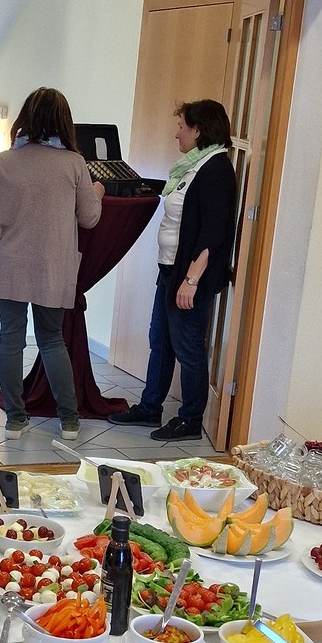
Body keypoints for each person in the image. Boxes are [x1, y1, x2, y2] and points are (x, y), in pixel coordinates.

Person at [0, 87, 103, 441]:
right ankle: (69, 421)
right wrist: (97, 192)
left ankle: (15, 420)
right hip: (52, 266)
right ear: (64, 121)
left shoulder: (3, 161)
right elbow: (90, 218)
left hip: (8, 263)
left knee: (11, 338)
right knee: (52, 339)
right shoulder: (73, 164)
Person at [120, 98, 238, 442]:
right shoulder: (193, 166)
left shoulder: (216, 169)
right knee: (160, 339)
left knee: (188, 348)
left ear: (198, 130)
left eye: (181, 127)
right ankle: (150, 407)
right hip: (170, 271)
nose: (177, 134)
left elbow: (213, 234)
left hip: (189, 277)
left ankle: (190, 419)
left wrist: (191, 280)